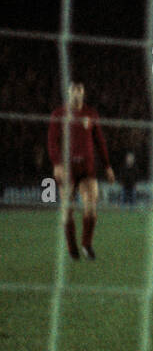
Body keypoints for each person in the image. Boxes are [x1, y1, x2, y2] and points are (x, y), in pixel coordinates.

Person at [48, 82, 114, 261]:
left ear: (83, 94)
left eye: (80, 91)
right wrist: (57, 164)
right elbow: (52, 142)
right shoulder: (59, 114)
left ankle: (86, 244)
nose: (77, 94)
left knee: (91, 208)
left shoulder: (91, 114)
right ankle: (72, 249)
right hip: (67, 170)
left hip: (88, 169)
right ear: (68, 93)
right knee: (67, 210)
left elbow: (99, 141)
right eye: (74, 91)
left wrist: (107, 166)